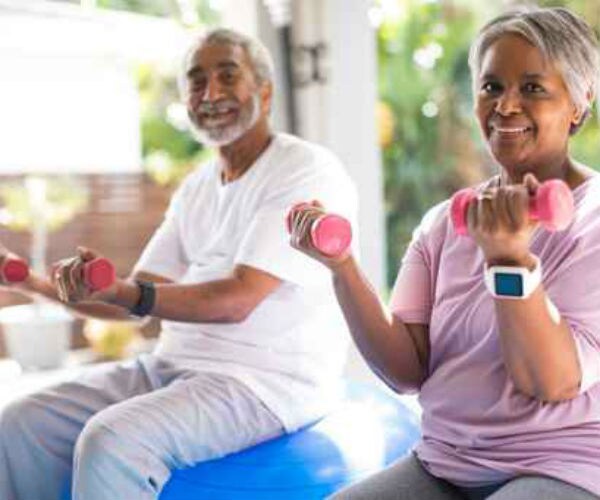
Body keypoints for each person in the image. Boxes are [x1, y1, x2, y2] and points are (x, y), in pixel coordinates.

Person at [0, 28, 357, 500]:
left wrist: (127, 293)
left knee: (112, 442)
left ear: (265, 92)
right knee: (20, 425)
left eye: (227, 75)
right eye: (196, 81)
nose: (210, 93)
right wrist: (33, 282)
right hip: (172, 366)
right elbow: (135, 298)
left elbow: (235, 300)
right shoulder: (197, 187)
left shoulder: (304, 169)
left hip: (264, 382)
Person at [290, 6, 600, 500]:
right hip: (445, 461)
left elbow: (551, 381)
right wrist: (342, 267)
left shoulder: (594, 221)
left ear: (580, 103)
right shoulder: (444, 222)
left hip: (562, 464)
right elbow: (405, 370)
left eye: (533, 88)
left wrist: (508, 261)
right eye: (492, 86)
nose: (505, 106)